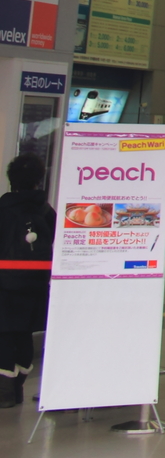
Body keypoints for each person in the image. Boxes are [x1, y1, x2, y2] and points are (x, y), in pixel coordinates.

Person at [0, 154, 54, 408]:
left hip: (6, 283)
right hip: (36, 282)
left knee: (3, 333)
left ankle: (5, 393)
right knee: (23, 332)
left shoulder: (3, 209)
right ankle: (17, 388)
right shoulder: (47, 210)